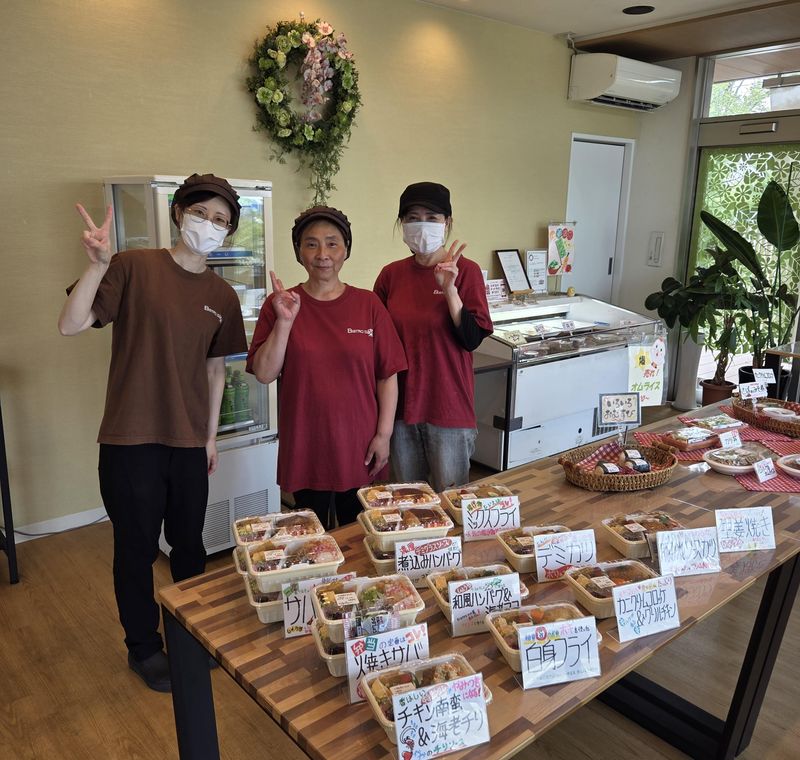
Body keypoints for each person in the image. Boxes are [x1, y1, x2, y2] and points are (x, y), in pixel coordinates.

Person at [58, 173, 247, 693]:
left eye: (221, 220)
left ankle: (191, 634)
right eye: (201, 213)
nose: (209, 225)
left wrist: (210, 437)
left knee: (189, 547)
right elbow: (70, 324)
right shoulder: (133, 266)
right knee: (136, 549)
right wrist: (96, 265)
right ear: (179, 212)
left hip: (189, 442)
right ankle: (143, 647)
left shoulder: (222, 295)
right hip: (131, 439)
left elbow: (215, 370)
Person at [247, 206, 406, 529]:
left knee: (359, 531)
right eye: (311, 244)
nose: (323, 254)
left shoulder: (368, 305)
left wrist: (384, 435)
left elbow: (387, 375)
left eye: (332, 243)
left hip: (359, 443)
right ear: (299, 252)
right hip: (306, 442)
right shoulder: (280, 304)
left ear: (346, 250)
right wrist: (284, 323)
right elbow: (264, 373)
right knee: (310, 533)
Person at [374, 182, 493, 492]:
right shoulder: (390, 275)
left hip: (448, 408)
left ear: (447, 222)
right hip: (400, 408)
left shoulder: (467, 271)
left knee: (450, 501)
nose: (421, 225)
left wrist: (450, 289)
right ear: (402, 224)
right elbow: (378, 343)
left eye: (431, 217)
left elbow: (471, 339)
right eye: (413, 218)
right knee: (407, 501)